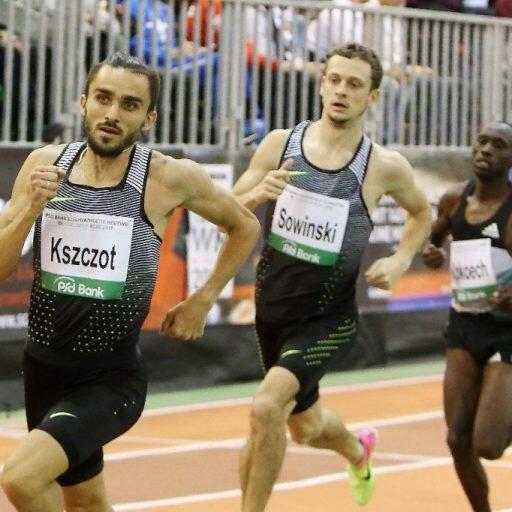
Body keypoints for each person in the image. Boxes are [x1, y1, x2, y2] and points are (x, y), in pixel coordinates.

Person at [0, 51, 260, 512]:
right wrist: (28, 212)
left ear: (148, 118)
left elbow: (244, 226)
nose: (112, 114)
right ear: (84, 102)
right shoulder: (44, 166)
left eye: (130, 104)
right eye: (103, 98)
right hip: (42, 370)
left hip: (110, 380)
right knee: (85, 501)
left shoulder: (167, 177)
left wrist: (203, 299)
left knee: (20, 480)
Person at [233, 43, 432, 511]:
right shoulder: (279, 144)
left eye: (354, 84)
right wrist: (257, 194)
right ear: (322, 84)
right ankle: (357, 450)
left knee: (266, 407)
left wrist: (401, 259)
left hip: (329, 319)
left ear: (373, 97)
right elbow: (229, 207)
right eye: (335, 80)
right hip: (272, 311)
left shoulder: (382, 165)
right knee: (303, 427)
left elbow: (421, 213)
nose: (342, 91)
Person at [422, 122, 512, 512]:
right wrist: (432, 253)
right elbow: (433, 240)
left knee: (488, 445)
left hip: (506, 331)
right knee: (457, 439)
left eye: (499, 145)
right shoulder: (454, 199)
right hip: (463, 325)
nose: (486, 149)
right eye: (482, 141)